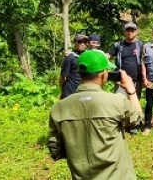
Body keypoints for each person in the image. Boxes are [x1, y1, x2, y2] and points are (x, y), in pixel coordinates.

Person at [48, 50, 143, 180]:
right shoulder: (117, 101)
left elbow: (55, 150)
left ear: (79, 74)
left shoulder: (59, 108)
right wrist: (131, 90)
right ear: (104, 74)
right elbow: (138, 120)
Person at [108, 21, 144, 101]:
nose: (130, 32)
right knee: (119, 103)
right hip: (121, 81)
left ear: (136, 31)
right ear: (124, 32)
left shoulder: (141, 45)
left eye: (132, 30)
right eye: (128, 30)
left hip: (136, 81)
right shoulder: (118, 45)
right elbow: (108, 56)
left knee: (134, 105)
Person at [59, 34, 88, 99]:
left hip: (84, 92)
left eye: (85, 42)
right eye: (80, 42)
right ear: (75, 43)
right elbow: (62, 77)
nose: (82, 44)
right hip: (70, 92)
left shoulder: (88, 57)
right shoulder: (70, 57)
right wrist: (62, 91)